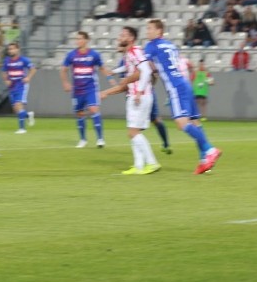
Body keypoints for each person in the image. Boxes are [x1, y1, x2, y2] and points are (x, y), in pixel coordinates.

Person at [105, 19, 221, 175]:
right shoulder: (170, 45)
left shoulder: (151, 46)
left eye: (150, 29)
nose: (147, 32)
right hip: (184, 82)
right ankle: (204, 160)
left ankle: (209, 149)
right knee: (195, 122)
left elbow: (142, 65)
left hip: (175, 87)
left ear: (159, 31)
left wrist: (125, 77)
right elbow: (158, 65)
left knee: (182, 123)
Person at [101, 26, 161, 175]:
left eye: (123, 35)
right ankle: (138, 165)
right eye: (120, 34)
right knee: (133, 131)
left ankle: (152, 163)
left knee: (133, 132)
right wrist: (114, 71)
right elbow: (130, 69)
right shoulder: (129, 54)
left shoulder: (135, 51)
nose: (120, 37)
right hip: (136, 96)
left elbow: (146, 70)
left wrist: (140, 91)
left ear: (131, 39)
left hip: (139, 96)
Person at [60, 31, 110, 148]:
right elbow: (63, 70)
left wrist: (110, 77)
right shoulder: (71, 55)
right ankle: (83, 139)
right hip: (77, 90)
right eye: (77, 39)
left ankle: (100, 139)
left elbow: (102, 68)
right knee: (80, 114)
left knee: (94, 109)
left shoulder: (94, 55)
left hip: (90, 88)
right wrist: (65, 83)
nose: (78, 41)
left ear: (86, 40)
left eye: (80, 39)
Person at [1, 42, 36, 134]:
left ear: (17, 49)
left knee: (18, 105)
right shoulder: (6, 60)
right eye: (9, 49)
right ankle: (28, 115)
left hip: (21, 85)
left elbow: (33, 69)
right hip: (12, 86)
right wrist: (6, 80)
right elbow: (4, 72)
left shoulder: (24, 60)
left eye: (12, 48)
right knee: (16, 109)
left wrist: (28, 77)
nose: (10, 50)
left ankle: (22, 129)